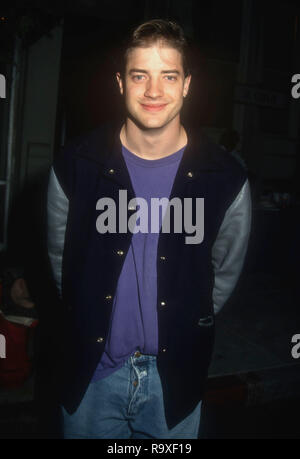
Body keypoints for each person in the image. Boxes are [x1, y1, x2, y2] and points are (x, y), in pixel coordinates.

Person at [47, 19, 251, 439]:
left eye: (168, 76)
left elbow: (223, 273)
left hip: (173, 382)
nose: (154, 92)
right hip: (92, 376)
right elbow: (61, 262)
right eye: (140, 75)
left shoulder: (225, 177)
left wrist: (187, 319)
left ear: (187, 84)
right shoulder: (75, 165)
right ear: (121, 83)